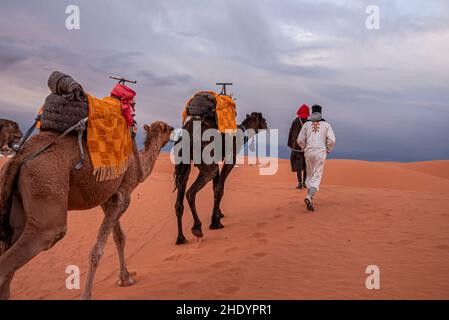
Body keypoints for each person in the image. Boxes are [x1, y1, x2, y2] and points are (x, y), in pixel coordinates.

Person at [297, 104, 336, 212]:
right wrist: (328, 148)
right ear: (320, 113)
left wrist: (303, 147)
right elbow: (332, 140)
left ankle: (310, 197)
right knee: (317, 175)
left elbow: (300, 139)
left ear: (311, 113)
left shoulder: (306, 125)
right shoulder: (326, 125)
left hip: (308, 152)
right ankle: (309, 196)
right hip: (320, 152)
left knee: (309, 174)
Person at [288, 104, 310, 189]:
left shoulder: (295, 121)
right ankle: (304, 183)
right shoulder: (309, 123)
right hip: (306, 147)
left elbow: (290, 133)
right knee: (306, 166)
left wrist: (290, 144)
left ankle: (300, 183)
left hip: (296, 147)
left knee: (298, 165)